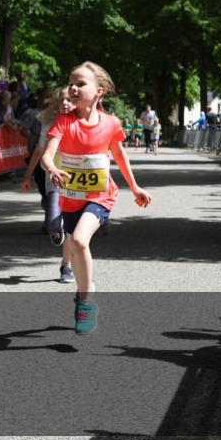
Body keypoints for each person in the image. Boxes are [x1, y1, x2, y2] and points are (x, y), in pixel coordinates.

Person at [40, 62, 151, 335]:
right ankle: (82, 292)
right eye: (71, 83)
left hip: (100, 196)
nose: (74, 88)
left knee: (78, 240)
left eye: (81, 84)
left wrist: (135, 187)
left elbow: (121, 156)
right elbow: (46, 154)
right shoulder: (64, 122)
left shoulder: (111, 123)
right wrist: (53, 168)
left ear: (99, 91)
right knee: (77, 250)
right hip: (70, 198)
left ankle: (86, 301)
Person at [22, 89, 78, 281]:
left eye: (70, 100)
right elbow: (38, 151)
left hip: (78, 185)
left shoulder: (86, 124)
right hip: (54, 181)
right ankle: (57, 230)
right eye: (62, 99)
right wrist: (27, 176)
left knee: (73, 228)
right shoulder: (49, 125)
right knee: (53, 223)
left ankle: (66, 266)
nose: (65, 103)